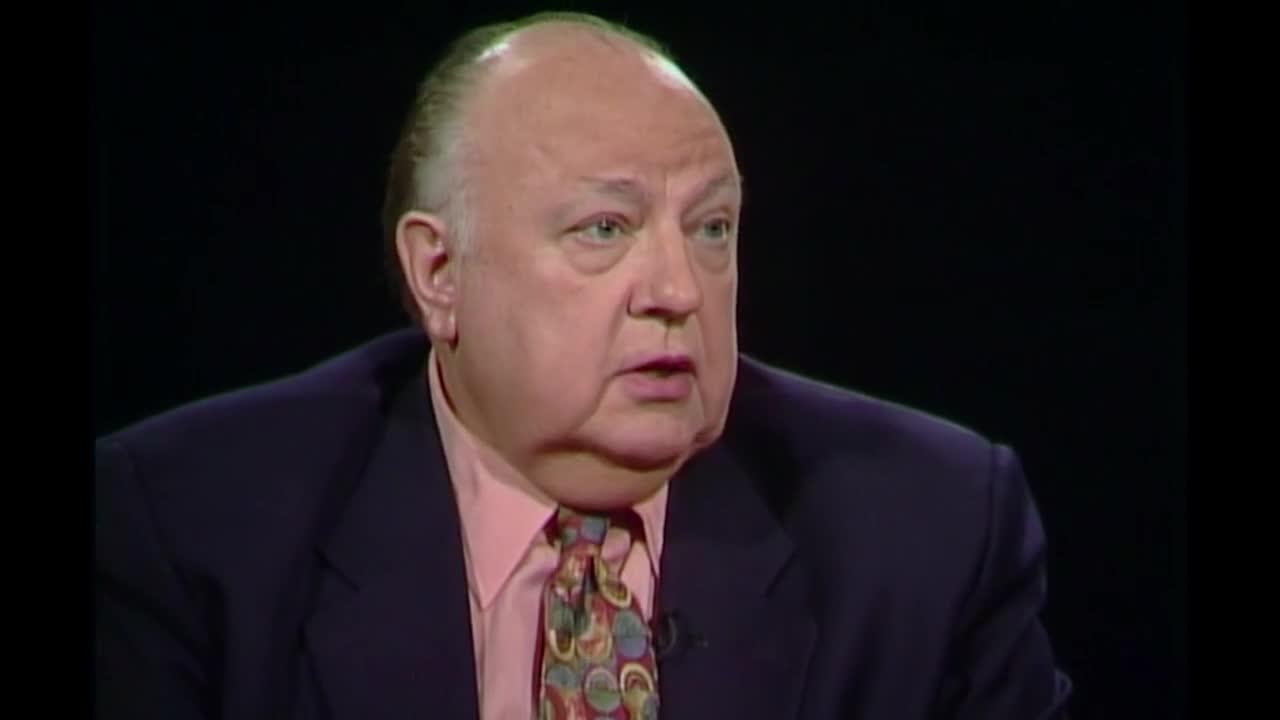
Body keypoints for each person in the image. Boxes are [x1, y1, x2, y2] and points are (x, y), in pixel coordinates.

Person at [94, 11, 1073, 720]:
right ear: (439, 273)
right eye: (604, 228)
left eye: (711, 228)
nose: (677, 289)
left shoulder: (931, 529)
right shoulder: (192, 526)